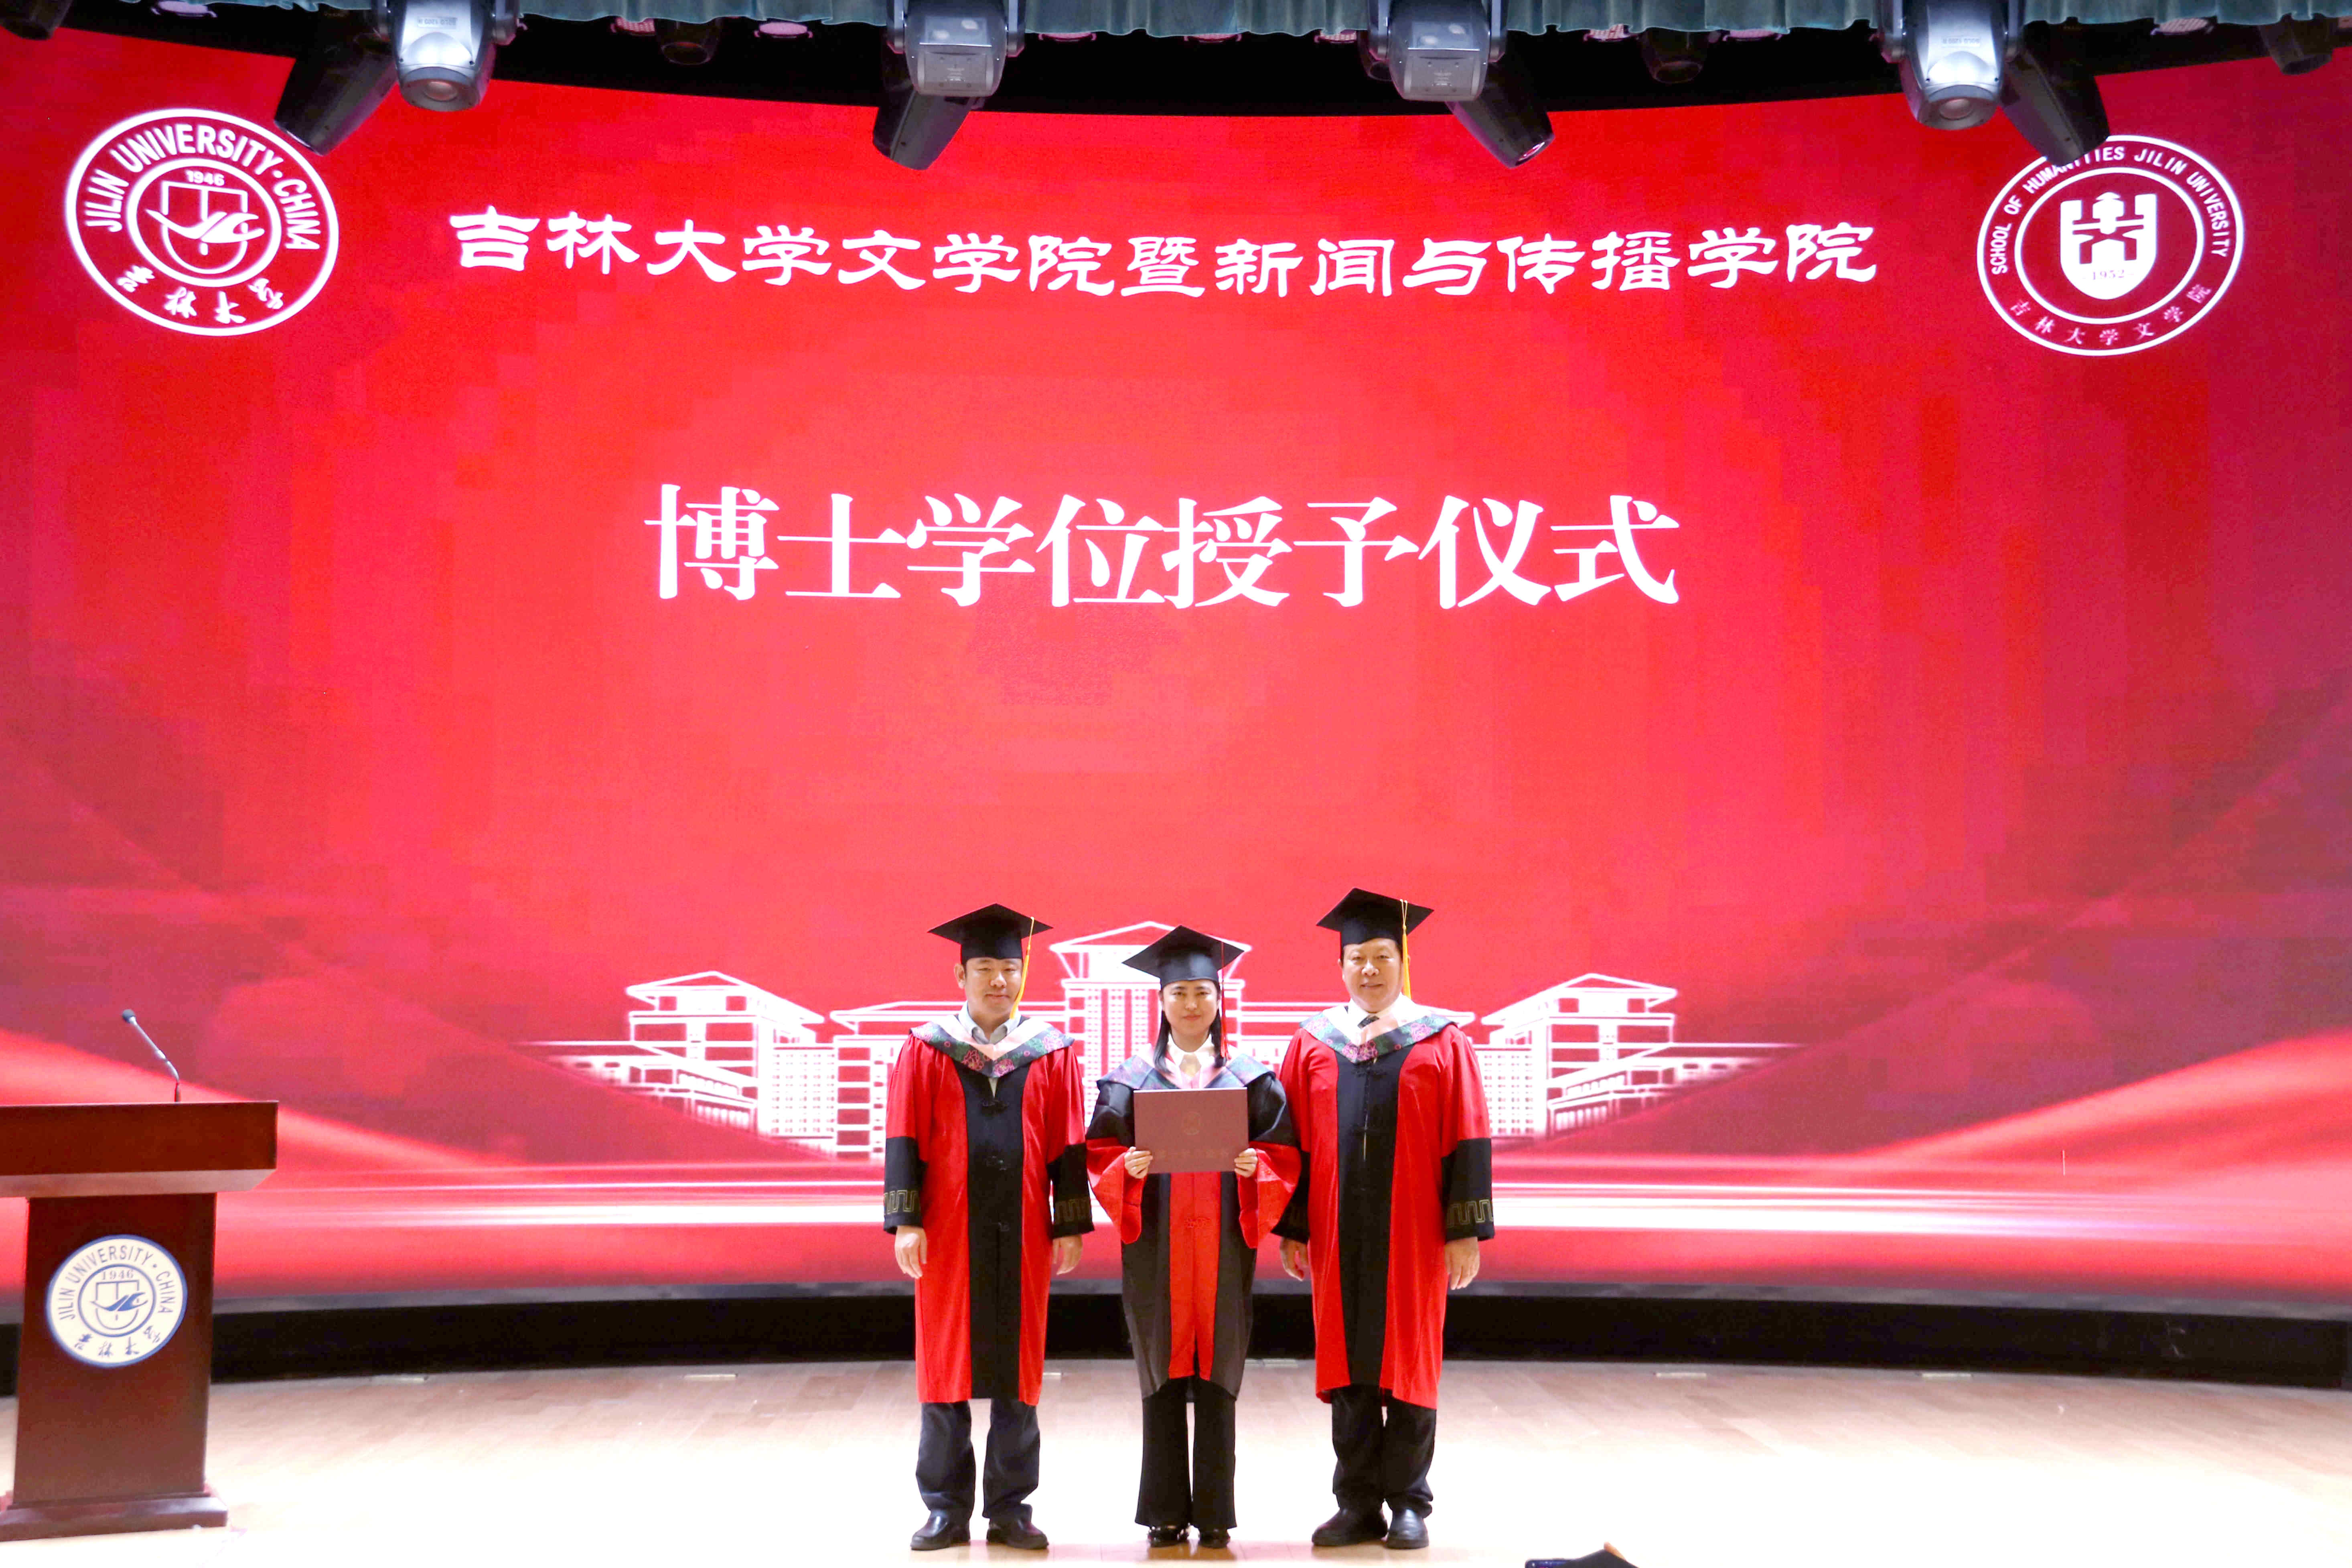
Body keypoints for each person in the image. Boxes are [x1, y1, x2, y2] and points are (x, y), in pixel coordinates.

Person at [1274, 889, 1494, 1552]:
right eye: (1357, 958)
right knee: (1347, 1364)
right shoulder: (1314, 1042)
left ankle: (1409, 1503)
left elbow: (1469, 1136)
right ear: (1341, 965)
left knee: (1411, 1362)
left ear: (1403, 960)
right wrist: (1294, 1226)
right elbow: (1290, 1141)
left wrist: (1463, 1229)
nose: (1368, 969)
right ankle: (1357, 1503)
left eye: (1381, 956)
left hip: (1415, 1231)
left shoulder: (1441, 1040)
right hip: (1336, 1228)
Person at [884, 903, 1095, 1552]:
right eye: (985, 968)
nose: (999, 979)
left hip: (1026, 1229)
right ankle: (946, 1509)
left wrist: (1069, 1222)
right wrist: (906, 1220)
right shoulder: (927, 1048)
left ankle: (1010, 1509)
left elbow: (1067, 1140)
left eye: (1009, 967)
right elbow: (904, 1135)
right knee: (944, 1367)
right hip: (948, 1231)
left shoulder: (1049, 1051)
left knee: (1019, 1372)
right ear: (961, 975)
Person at [1085, 927, 1301, 1552]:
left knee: (1218, 1369)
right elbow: (1098, 1155)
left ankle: (1215, 1512)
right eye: (1178, 992)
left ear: (1219, 998)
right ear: (1160, 1000)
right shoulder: (1128, 1081)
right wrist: (1124, 1168)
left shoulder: (1252, 1080)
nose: (1190, 1003)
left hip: (1222, 1251)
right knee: (1160, 1369)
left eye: (1202, 991)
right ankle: (1163, 1511)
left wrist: (1256, 1169)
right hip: (1156, 1249)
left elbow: (1285, 1158)